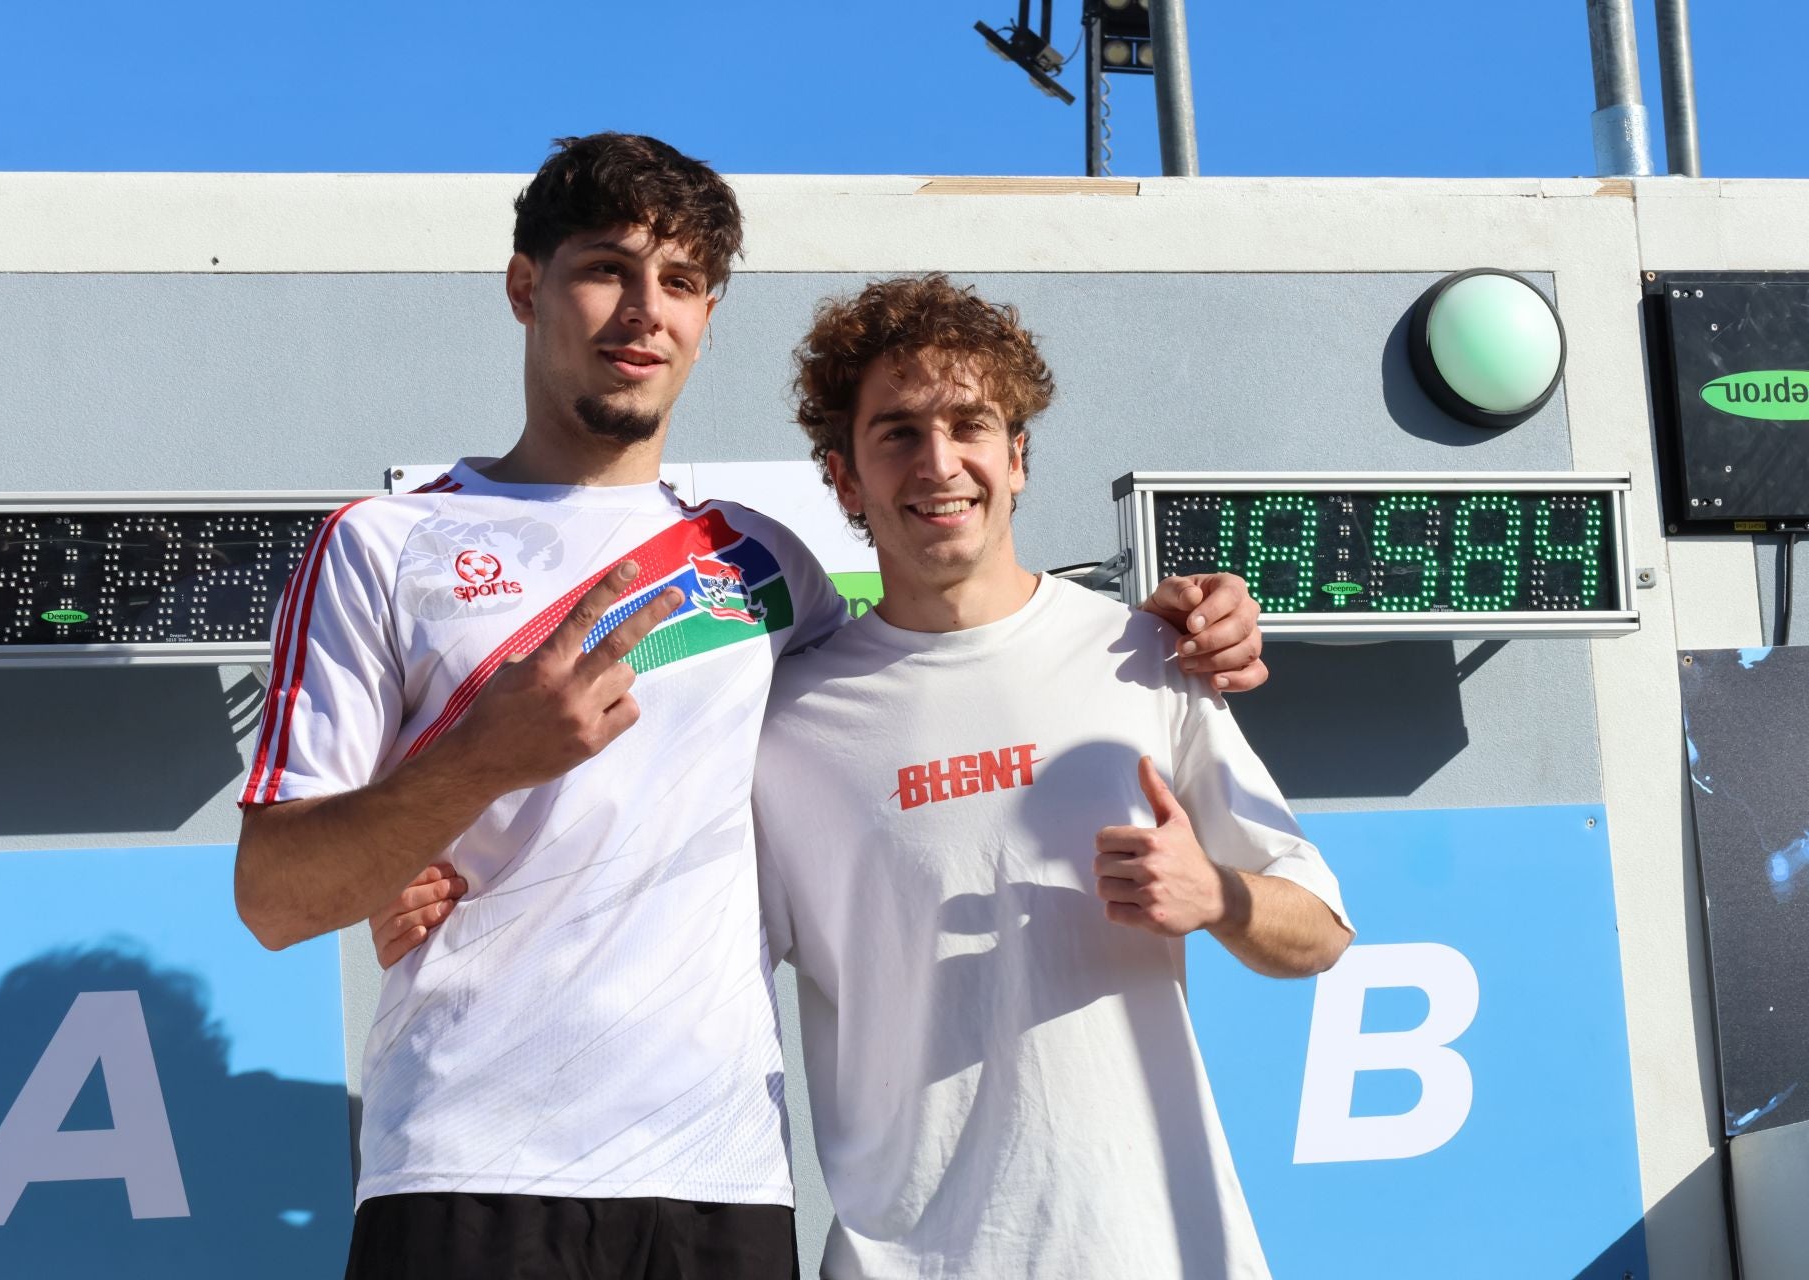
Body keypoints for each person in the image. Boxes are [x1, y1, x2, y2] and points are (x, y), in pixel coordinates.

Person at [238, 134, 1270, 1280]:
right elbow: (276, 895)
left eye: (679, 283)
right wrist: (477, 768)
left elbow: (950, 659)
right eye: (605, 269)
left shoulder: (764, 566)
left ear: (708, 316)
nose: (644, 311)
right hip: (468, 1161)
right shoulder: (385, 546)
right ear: (526, 285)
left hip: (721, 1180)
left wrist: (1184, 618)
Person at [750, 275, 1355, 1279]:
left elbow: (1323, 932)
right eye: (897, 432)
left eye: (969, 424)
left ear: (1017, 456)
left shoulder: (1147, 655)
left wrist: (1216, 893)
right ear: (844, 477)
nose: (939, 463)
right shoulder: (786, 723)